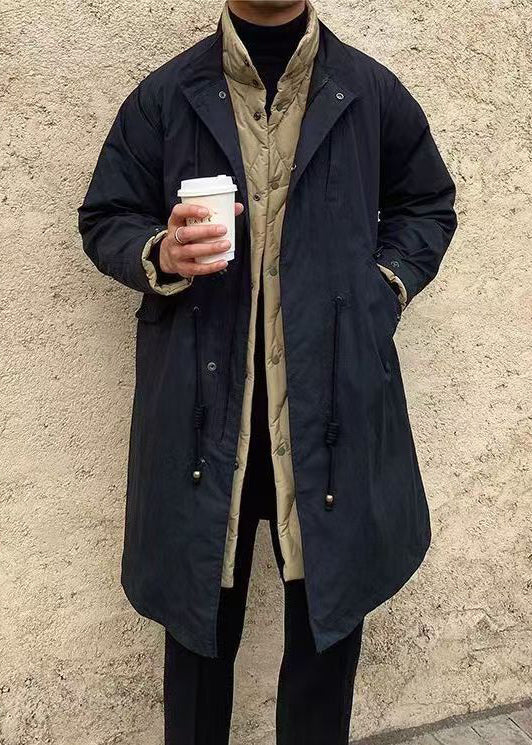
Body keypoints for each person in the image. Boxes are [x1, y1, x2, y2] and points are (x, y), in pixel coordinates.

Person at [77, 0, 458, 742]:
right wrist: (159, 252)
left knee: (325, 636)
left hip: (331, 415)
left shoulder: (370, 92)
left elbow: (428, 204)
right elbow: (105, 216)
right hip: (202, 418)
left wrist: (381, 288)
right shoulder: (167, 95)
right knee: (197, 637)